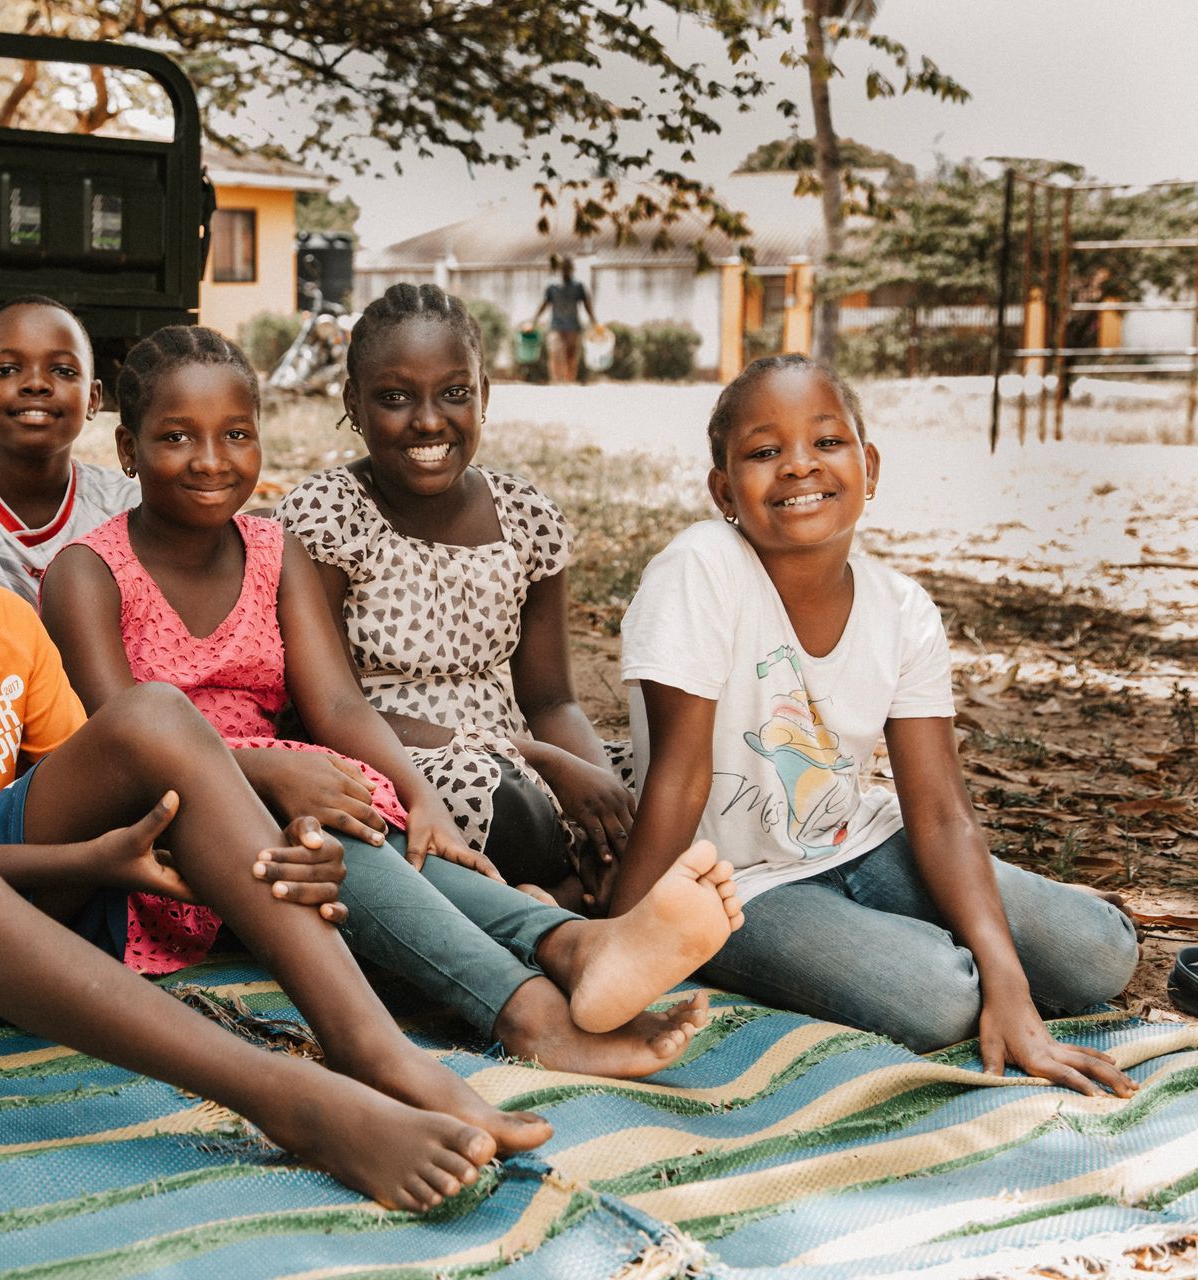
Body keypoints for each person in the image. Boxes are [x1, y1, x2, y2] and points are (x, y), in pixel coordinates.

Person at [0, 338, 559, 1211]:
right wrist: (91, 865)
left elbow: (115, 790)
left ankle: (374, 1049)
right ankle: (290, 1101)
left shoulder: (2, 617)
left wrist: (259, 847)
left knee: (155, 717)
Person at [43, 325, 742, 1072]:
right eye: (178, 436)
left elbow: (338, 707)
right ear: (126, 450)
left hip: (276, 809)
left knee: (368, 822)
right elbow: (123, 742)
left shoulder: (277, 554)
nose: (212, 460)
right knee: (320, 824)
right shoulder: (87, 574)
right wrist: (271, 774)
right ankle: (531, 1013)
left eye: (237, 434)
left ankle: (573, 944)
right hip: (158, 834)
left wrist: (417, 798)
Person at [615, 354, 1140, 1095]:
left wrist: (1011, 981)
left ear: (869, 467)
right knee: (938, 997)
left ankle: (989, 927)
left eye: (826, 443)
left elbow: (939, 810)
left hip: (858, 839)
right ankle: (886, 948)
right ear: (724, 490)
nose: (799, 466)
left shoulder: (902, 609)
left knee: (1097, 954)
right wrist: (622, 940)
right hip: (735, 882)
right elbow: (678, 776)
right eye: (765, 452)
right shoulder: (701, 567)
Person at [279, 283, 632, 912]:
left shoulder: (526, 516)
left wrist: (597, 791)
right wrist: (541, 762)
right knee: (499, 801)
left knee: (646, 788)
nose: (429, 420)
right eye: (394, 398)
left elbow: (551, 699)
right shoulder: (325, 516)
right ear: (352, 404)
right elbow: (329, 707)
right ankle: (569, 902)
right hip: (398, 757)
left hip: (525, 744)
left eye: (455, 393)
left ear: (484, 396)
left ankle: (566, 891)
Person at [0, 295, 137, 607]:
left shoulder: (130, 509)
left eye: (62, 370)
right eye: (6, 369)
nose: (36, 384)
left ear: (93, 398)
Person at [527, 255, 598, 385]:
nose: (566, 270)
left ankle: (569, 382)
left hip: (573, 327)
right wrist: (533, 320)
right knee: (555, 354)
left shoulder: (578, 286)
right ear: (560, 269)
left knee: (571, 357)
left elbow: (587, 305)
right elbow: (544, 304)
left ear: (572, 269)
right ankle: (556, 381)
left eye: (568, 268)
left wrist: (595, 322)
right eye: (563, 268)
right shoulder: (552, 286)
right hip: (556, 327)